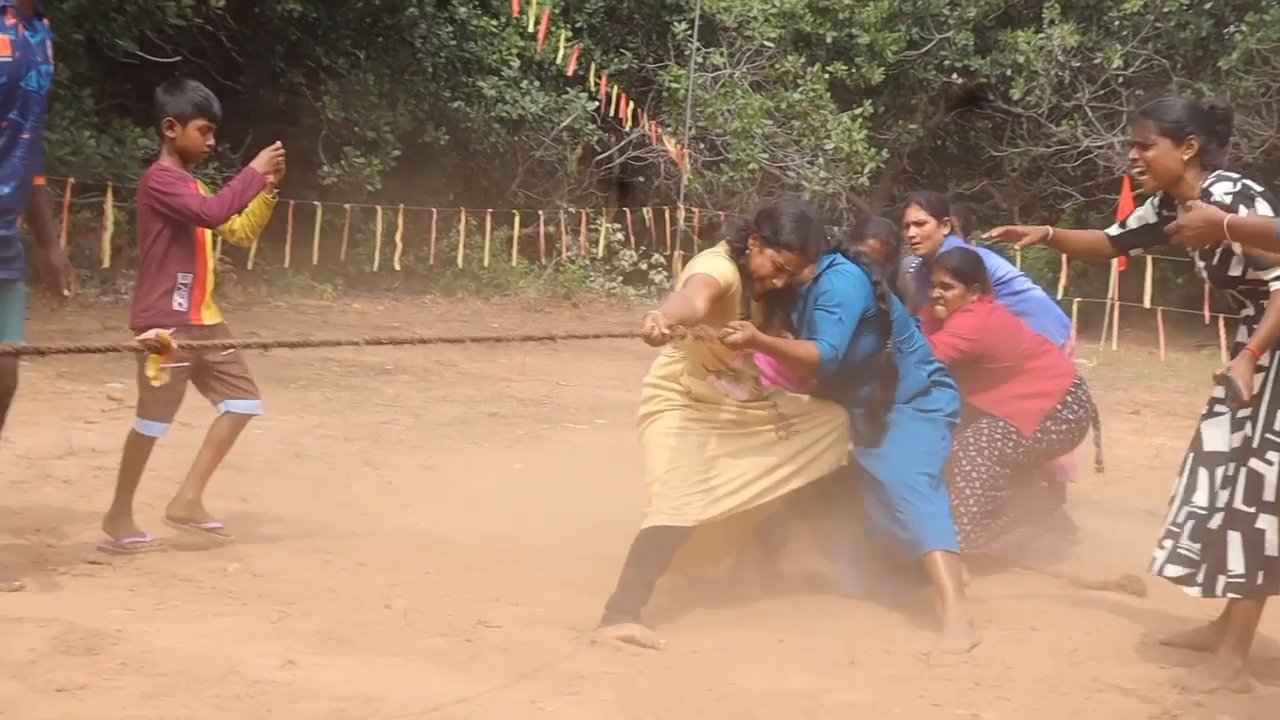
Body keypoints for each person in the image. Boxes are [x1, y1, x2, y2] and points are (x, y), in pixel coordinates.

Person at [986, 95, 1280, 694]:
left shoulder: (1233, 197)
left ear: (1188, 147)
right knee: (1227, 483)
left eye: (1145, 145)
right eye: (1132, 144)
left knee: (1255, 498)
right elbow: (1109, 242)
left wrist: (1251, 357)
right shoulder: (1170, 206)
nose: (1133, 155)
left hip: (1266, 353)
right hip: (1254, 351)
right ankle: (1226, 629)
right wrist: (1046, 233)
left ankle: (1233, 660)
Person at [719, 201, 978, 656]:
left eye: (781, 270)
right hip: (855, 406)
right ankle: (753, 567)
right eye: (772, 269)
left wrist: (759, 342)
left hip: (912, 400)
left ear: (804, 258)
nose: (774, 280)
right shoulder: (793, 281)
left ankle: (957, 614)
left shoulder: (839, 284)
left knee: (908, 484)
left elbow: (823, 356)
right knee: (791, 469)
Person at [594, 198, 851, 650]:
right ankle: (620, 614)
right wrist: (664, 317)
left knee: (832, 424)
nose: (780, 280)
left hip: (741, 403)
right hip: (684, 398)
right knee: (678, 501)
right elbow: (694, 298)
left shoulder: (776, 285)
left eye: (790, 273)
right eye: (776, 267)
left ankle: (746, 553)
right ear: (754, 242)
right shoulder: (720, 268)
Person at [99, 78, 285, 554]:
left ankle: (187, 499)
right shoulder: (160, 181)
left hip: (206, 320)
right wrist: (253, 171)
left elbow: (237, 230)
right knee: (152, 422)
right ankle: (119, 513)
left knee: (242, 402)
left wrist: (265, 191)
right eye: (204, 131)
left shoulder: (194, 186)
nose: (211, 141)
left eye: (213, 132)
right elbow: (211, 212)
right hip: (166, 322)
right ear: (170, 128)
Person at [924, 247, 1101, 557]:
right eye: (933, 286)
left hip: (1060, 407)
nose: (937, 293)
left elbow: (918, 359)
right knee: (965, 444)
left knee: (976, 449)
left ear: (974, 292)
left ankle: (971, 540)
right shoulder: (947, 313)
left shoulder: (973, 323)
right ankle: (1043, 518)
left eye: (947, 287)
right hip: (1036, 400)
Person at [0, 0, 78, 593]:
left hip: (7, 237)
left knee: (4, 378)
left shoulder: (41, 33)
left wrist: (50, 243)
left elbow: (31, 143)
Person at [900, 191, 1072, 347]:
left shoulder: (961, 260)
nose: (911, 234)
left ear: (945, 226)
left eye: (920, 224)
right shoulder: (923, 268)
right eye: (906, 226)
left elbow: (958, 325)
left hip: (1043, 333)